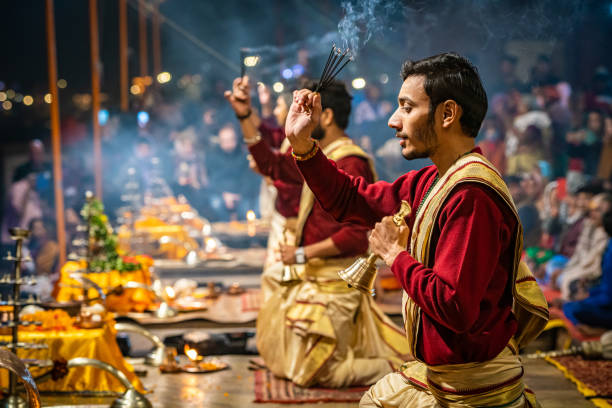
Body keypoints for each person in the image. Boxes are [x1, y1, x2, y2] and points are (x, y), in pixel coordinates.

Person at [284, 53, 548, 407]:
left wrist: (395, 255)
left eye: (407, 108)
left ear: (447, 114)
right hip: (440, 376)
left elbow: (455, 306)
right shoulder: (432, 179)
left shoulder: (471, 195)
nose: (394, 121)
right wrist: (302, 145)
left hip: (471, 389)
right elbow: (353, 199)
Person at [225, 76, 409, 388]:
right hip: (313, 277)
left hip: (335, 283)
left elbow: (355, 236)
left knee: (315, 374)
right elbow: (273, 165)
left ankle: (398, 369)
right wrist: (244, 116)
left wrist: (299, 253)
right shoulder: (318, 155)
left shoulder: (349, 160)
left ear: (326, 116)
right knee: (291, 365)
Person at [563, 209, 612, 332]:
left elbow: (608, 298)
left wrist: (586, 297)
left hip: (608, 307)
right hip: (603, 296)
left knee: (571, 307)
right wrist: (589, 293)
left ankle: (597, 330)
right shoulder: (610, 244)